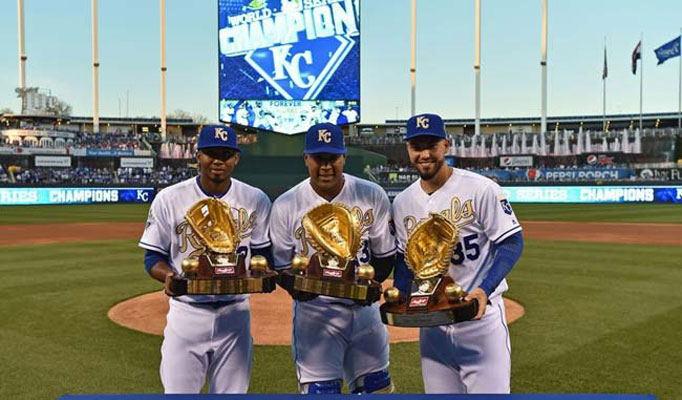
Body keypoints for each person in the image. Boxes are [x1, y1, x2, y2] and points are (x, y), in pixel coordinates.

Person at [392, 113, 524, 394]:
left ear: (446, 146)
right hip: (432, 327)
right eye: (417, 147)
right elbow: (405, 260)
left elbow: (512, 243)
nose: (425, 154)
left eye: (432, 145)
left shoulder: (481, 189)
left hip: (479, 321)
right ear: (408, 149)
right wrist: (400, 291)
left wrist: (484, 289)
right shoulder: (403, 202)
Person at [138, 125, 272, 393]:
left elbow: (263, 256)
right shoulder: (170, 198)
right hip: (187, 313)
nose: (218, 161)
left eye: (225, 153)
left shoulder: (255, 199)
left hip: (235, 314)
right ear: (197, 155)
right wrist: (168, 276)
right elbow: (152, 258)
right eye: (211, 153)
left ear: (236, 158)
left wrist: (264, 275)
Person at [269, 123, 396, 394]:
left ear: (344, 158)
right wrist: (298, 289)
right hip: (316, 315)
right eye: (318, 159)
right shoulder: (286, 204)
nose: (326, 166)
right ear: (306, 159)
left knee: (377, 390)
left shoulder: (372, 194)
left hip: (365, 315)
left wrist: (368, 286)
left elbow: (385, 256)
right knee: (321, 392)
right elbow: (281, 267)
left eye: (332, 158)